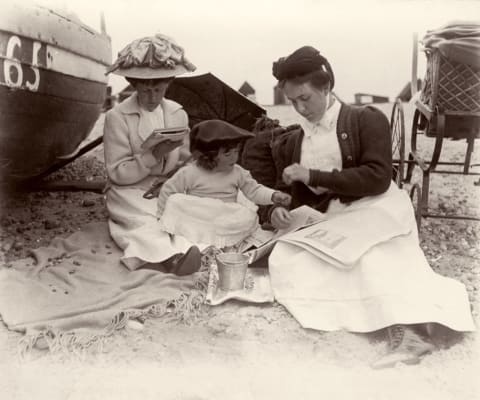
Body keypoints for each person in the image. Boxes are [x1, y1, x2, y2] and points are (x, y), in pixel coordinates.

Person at [265, 46, 475, 368]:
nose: (299, 108)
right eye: (292, 101)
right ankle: (368, 318)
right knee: (290, 258)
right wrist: (276, 208)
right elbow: (294, 190)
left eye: (305, 98)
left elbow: (377, 177)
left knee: (374, 258)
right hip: (337, 214)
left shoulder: (365, 119)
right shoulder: (297, 140)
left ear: (326, 87)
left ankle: (410, 333)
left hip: (376, 205)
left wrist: (314, 174)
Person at [103, 34, 201, 275]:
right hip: (128, 190)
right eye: (145, 90)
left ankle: (190, 250)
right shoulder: (117, 117)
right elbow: (117, 173)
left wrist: (172, 178)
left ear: (168, 84)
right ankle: (170, 258)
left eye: (158, 89)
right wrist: (152, 155)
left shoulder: (178, 113)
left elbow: (185, 157)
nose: (152, 97)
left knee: (185, 213)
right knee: (144, 220)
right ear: (134, 85)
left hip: (166, 185)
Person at [157, 119, 291, 249]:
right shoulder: (190, 172)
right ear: (209, 155)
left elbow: (254, 190)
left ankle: (225, 245)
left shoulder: (237, 172)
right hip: (200, 219)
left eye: (236, 152)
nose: (234, 158)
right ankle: (190, 249)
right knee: (176, 200)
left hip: (224, 220)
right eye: (227, 154)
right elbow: (168, 191)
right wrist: (163, 217)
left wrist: (273, 195)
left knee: (247, 215)